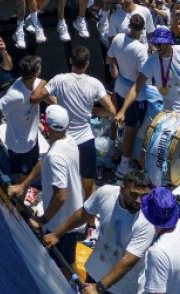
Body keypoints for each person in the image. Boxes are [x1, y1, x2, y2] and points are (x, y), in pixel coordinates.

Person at [44, 169, 155, 294]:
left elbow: (128, 261)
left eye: (144, 196)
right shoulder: (106, 194)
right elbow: (83, 215)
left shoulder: (147, 221)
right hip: (96, 273)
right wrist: (57, 234)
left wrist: (99, 288)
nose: (138, 201)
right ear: (122, 189)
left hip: (126, 288)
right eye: (134, 194)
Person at [30, 45, 116, 195]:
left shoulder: (59, 80)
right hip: (85, 139)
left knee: (61, 180)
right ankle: (89, 214)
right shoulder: (95, 83)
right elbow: (112, 111)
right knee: (88, 179)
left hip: (63, 139)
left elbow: (36, 97)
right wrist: (94, 111)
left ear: (71, 61)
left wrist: (44, 83)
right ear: (87, 63)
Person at [9, 105, 84, 266]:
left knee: (61, 266)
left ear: (49, 127)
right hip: (69, 215)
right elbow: (43, 162)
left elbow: (60, 196)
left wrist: (42, 220)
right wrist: (24, 185)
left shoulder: (56, 156)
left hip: (62, 224)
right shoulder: (68, 141)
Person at [0, 55, 46, 183]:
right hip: (19, 146)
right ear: (36, 72)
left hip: (33, 139)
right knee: (22, 178)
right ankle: (20, 199)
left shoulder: (37, 83)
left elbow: (44, 87)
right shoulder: (15, 95)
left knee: (34, 170)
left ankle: (28, 189)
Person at [108, 13, 149, 178]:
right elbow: (143, 77)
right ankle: (123, 166)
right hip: (135, 93)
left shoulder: (117, 38)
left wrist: (115, 69)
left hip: (119, 85)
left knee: (116, 118)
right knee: (131, 129)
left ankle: (112, 149)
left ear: (129, 26)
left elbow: (109, 58)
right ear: (141, 30)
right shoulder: (141, 49)